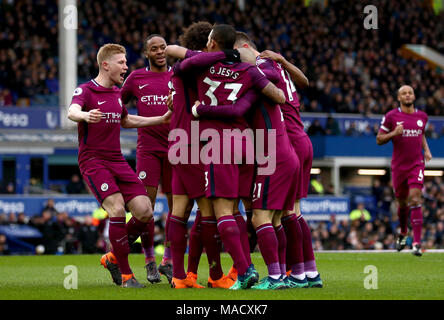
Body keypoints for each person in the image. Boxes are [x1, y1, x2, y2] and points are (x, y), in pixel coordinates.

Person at [172, 24, 286, 290]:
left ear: (211, 42)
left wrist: (202, 110)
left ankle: (245, 271)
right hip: (246, 143)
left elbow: (177, 64)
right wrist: (250, 59)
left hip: (216, 143)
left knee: (222, 212)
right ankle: (270, 271)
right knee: (242, 210)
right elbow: (277, 90)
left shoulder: (200, 66)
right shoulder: (248, 70)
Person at [67, 43, 171, 287]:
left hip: (117, 160)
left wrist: (161, 118)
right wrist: (84, 115)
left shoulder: (116, 93)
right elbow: (72, 111)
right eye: (121, 62)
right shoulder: (85, 90)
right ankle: (126, 276)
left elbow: (126, 119)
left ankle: (112, 256)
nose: (126, 67)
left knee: (145, 211)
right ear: (106, 65)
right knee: (116, 208)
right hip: (93, 161)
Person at [121, 34, 174, 284]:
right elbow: (116, 105)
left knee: (178, 208)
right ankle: (150, 261)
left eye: (163, 47)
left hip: (177, 148)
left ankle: (169, 261)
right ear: (147, 53)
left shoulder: (179, 76)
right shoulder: (136, 78)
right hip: (148, 149)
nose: (160, 52)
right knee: (147, 209)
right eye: (155, 49)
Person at [376, 85, 432, 256]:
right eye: (403, 93)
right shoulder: (391, 116)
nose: (407, 95)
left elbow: (421, 133)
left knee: (415, 198)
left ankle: (416, 243)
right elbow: (379, 139)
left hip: (416, 164)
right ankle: (402, 232)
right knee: (401, 203)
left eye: (410, 93)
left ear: (414, 96)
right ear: (398, 98)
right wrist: (394, 133)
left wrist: (427, 150)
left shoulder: (422, 116)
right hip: (399, 166)